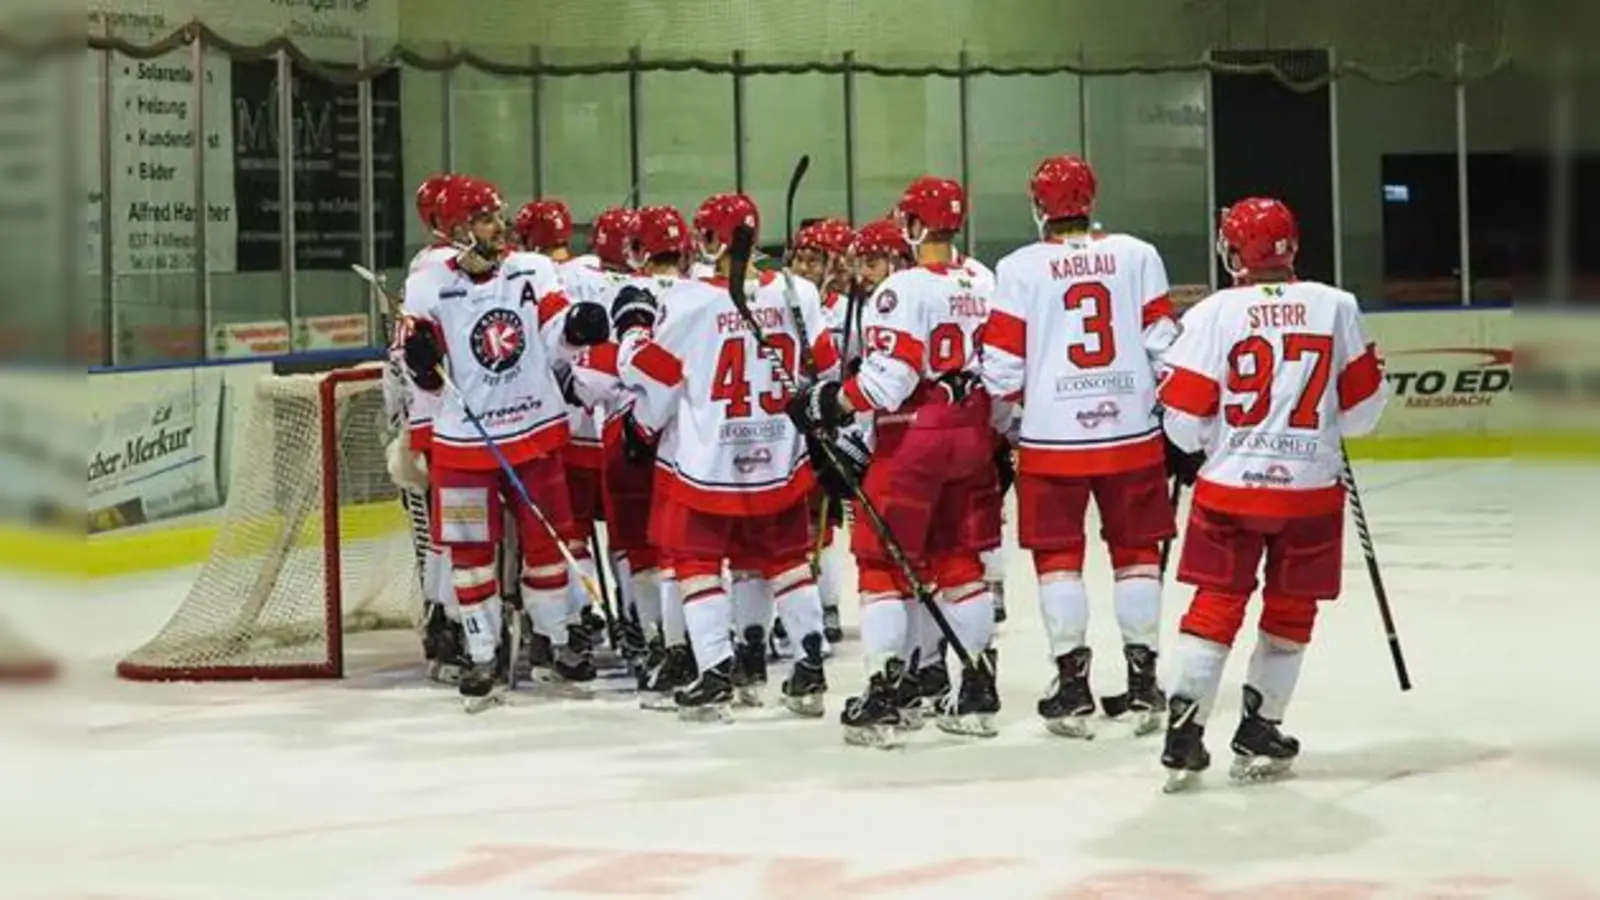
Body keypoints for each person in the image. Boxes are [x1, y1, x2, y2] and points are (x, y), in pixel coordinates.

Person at [1155, 197, 1387, 790]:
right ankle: (1261, 726)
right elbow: (1362, 416)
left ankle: (1184, 730)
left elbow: (1180, 416)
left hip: (1230, 490)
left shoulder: (1214, 312)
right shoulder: (1337, 306)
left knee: (1215, 604)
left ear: (1235, 252)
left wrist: (1215, 442)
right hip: (1310, 493)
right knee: (1291, 611)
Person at [788, 176, 1001, 745]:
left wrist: (826, 402)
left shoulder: (902, 287)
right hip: (973, 431)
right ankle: (978, 688)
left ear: (912, 226)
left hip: (914, 437)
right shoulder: (983, 277)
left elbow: (889, 380)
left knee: (881, 566)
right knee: (960, 562)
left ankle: (886, 690)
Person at [979, 154, 1181, 739]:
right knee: (1138, 555)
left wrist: (1006, 419)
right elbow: (1163, 346)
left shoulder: (1018, 267)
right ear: (1091, 200)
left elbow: (1002, 370)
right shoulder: (1138, 254)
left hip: (1050, 439)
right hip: (1132, 435)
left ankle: (1072, 686)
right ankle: (1144, 683)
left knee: (1058, 559)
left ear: (1038, 206)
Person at [618, 192, 841, 720]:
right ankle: (809, 668)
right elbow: (825, 370)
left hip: (708, 458)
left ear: (713, 239)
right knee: (786, 561)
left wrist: (630, 346)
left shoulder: (690, 300)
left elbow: (657, 374)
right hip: (778, 453)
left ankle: (714, 669)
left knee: (696, 564)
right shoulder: (798, 292)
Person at [398, 176, 612, 710]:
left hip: (534, 432)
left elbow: (556, 326)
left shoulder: (531, 269)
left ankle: (556, 644)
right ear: (456, 230)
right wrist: (422, 365)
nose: (501, 225)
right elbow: (417, 368)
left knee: (548, 546)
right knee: (470, 556)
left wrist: (579, 327)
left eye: (498, 214)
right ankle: (480, 652)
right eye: (487, 218)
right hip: (464, 446)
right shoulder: (427, 286)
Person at [385, 173, 468, 683]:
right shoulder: (438, 273)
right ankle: (456, 625)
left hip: (432, 422)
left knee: (444, 529)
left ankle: (445, 618)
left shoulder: (426, 270)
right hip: (449, 423)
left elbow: (396, 362)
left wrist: (403, 417)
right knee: (462, 528)